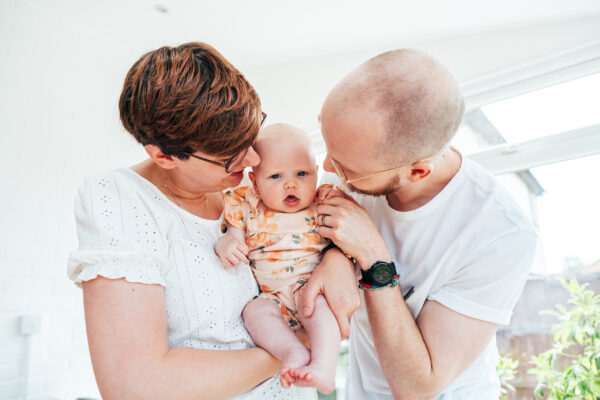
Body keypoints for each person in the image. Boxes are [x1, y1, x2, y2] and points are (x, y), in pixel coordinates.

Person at [67, 42, 320, 399]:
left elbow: (317, 228)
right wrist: (299, 345)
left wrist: (338, 267)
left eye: (252, 136)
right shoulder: (119, 198)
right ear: (165, 156)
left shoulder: (248, 193)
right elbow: (134, 387)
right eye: (230, 156)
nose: (251, 160)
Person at [300, 49, 538, 399]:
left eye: (347, 167)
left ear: (418, 170)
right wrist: (336, 254)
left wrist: (372, 256)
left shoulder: (500, 234)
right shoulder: (358, 159)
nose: (329, 170)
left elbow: (417, 387)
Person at [215, 123, 341, 394]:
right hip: (272, 298)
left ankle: (324, 366)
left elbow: (345, 246)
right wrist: (228, 242)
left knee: (321, 311)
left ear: (317, 174)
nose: (291, 183)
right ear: (255, 181)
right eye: (275, 176)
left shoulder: (323, 205)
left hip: (311, 289)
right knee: (253, 312)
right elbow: (234, 235)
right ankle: (292, 352)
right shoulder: (247, 207)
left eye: (302, 173)